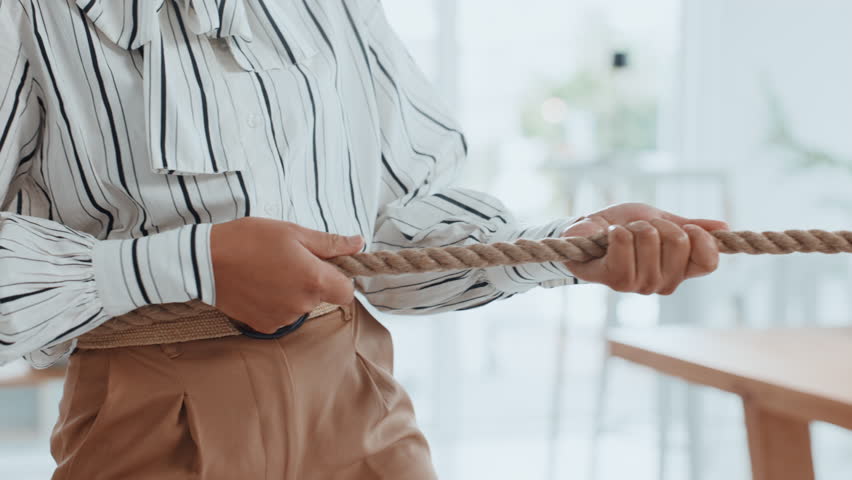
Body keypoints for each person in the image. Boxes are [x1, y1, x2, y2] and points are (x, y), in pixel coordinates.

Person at [0, 1, 727, 478]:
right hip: (153, 415)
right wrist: (182, 265)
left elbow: (389, 227)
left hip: (359, 401)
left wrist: (563, 245)